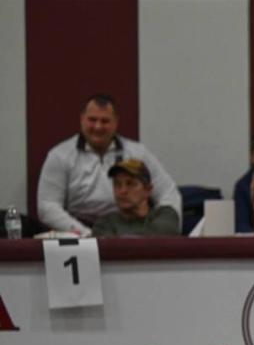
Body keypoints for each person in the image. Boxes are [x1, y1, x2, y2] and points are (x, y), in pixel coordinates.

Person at [37, 93, 182, 236]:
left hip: (133, 226)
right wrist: (88, 235)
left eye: (105, 121)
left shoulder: (138, 152)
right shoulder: (59, 156)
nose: (98, 127)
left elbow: (169, 194)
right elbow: (47, 206)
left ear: (116, 122)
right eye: (92, 120)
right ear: (82, 119)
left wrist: (161, 228)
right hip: (80, 231)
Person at [91, 159, 180, 237]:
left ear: (147, 190)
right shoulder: (105, 223)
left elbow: (161, 237)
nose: (123, 191)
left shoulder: (165, 214)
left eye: (130, 184)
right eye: (117, 184)